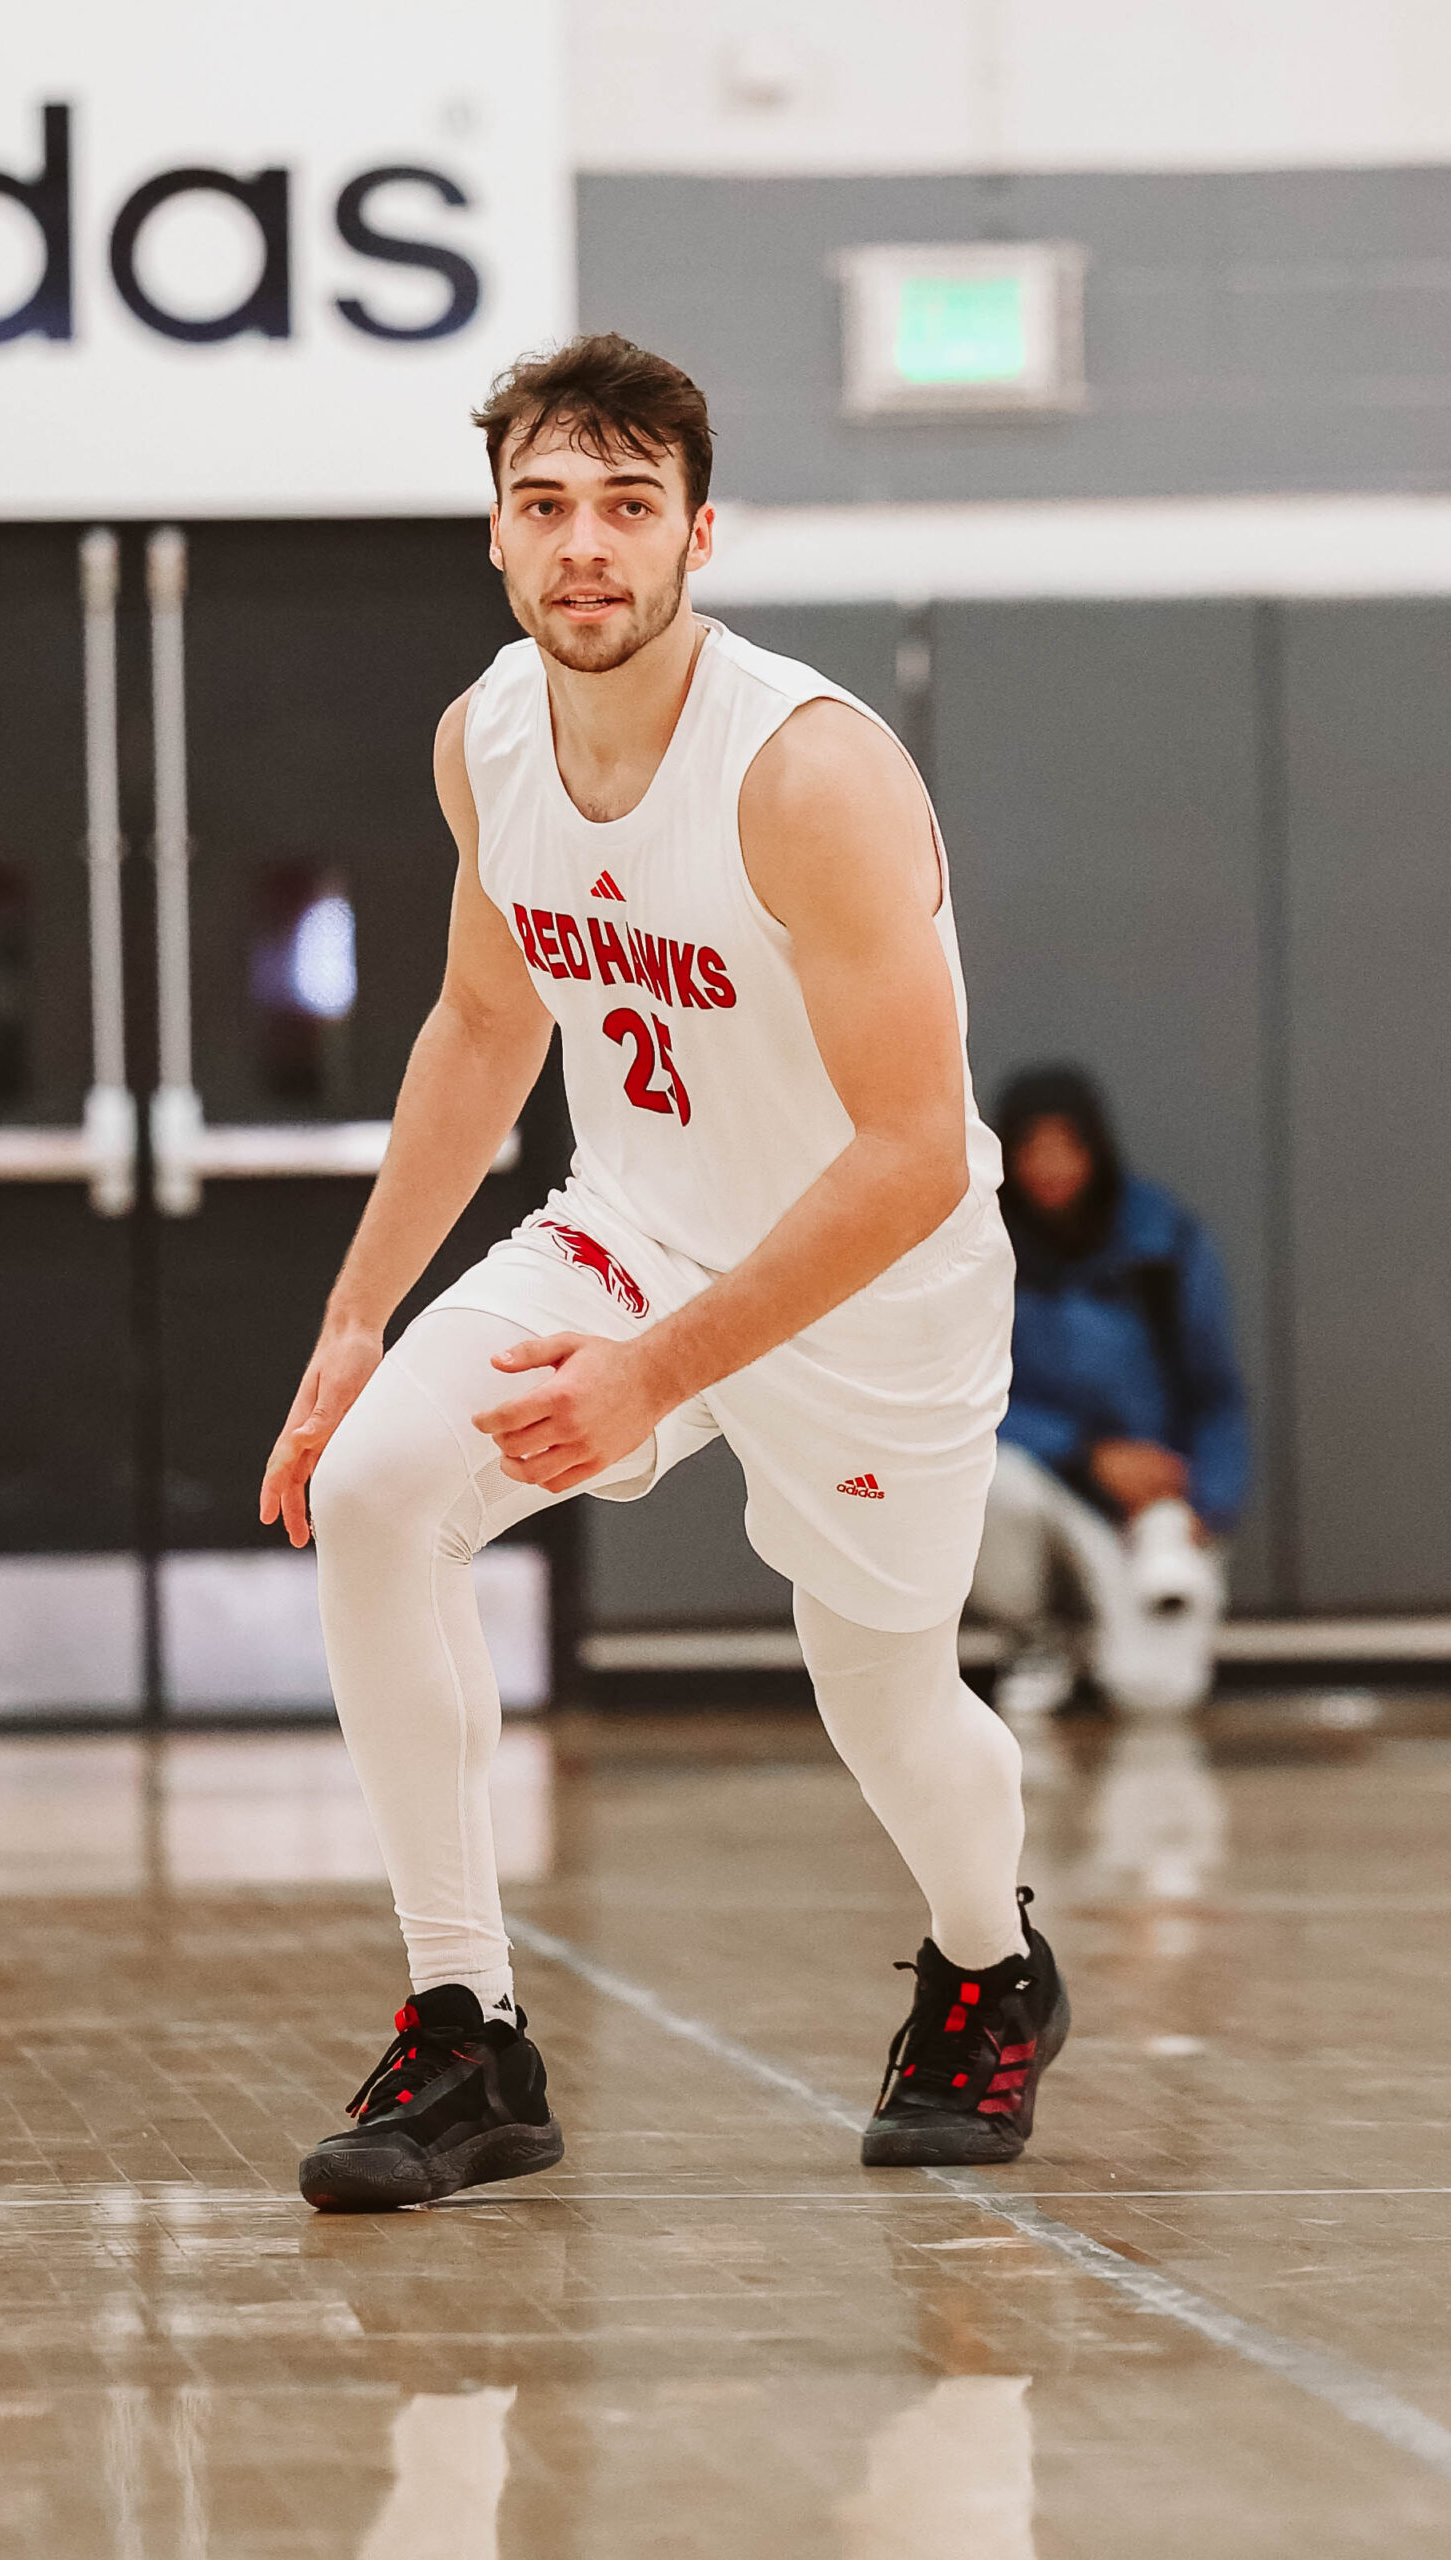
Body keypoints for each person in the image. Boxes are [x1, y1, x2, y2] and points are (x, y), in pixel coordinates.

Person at [258, 334, 1068, 2211]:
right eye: (545, 507)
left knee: (878, 1687)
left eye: (627, 508)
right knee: (380, 1490)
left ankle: (984, 1964)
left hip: (873, 1283)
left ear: (702, 533)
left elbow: (910, 1154)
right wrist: (355, 1316)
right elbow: (479, 1025)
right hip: (631, 1226)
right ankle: (464, 2040)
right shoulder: (484, 740)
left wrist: (660, 1373)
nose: (584, 547)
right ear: (495, 536)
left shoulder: (807, 774)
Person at [971, 1065, 1248, 1720]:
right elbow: (964, 1396)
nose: (1051, 1168)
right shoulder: (978, 1248)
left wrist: (1205, 1503)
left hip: (1147, 1504)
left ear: (1096, 1149)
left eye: (1067, 1147)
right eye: (1033, 1150)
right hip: (1044, 1477)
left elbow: (1216, 1393)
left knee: (1156, 1693)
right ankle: (1034, 1637)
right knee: (985, 1480)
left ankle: (1109, 1629)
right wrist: (1085, 1453)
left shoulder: (1163, 1244)